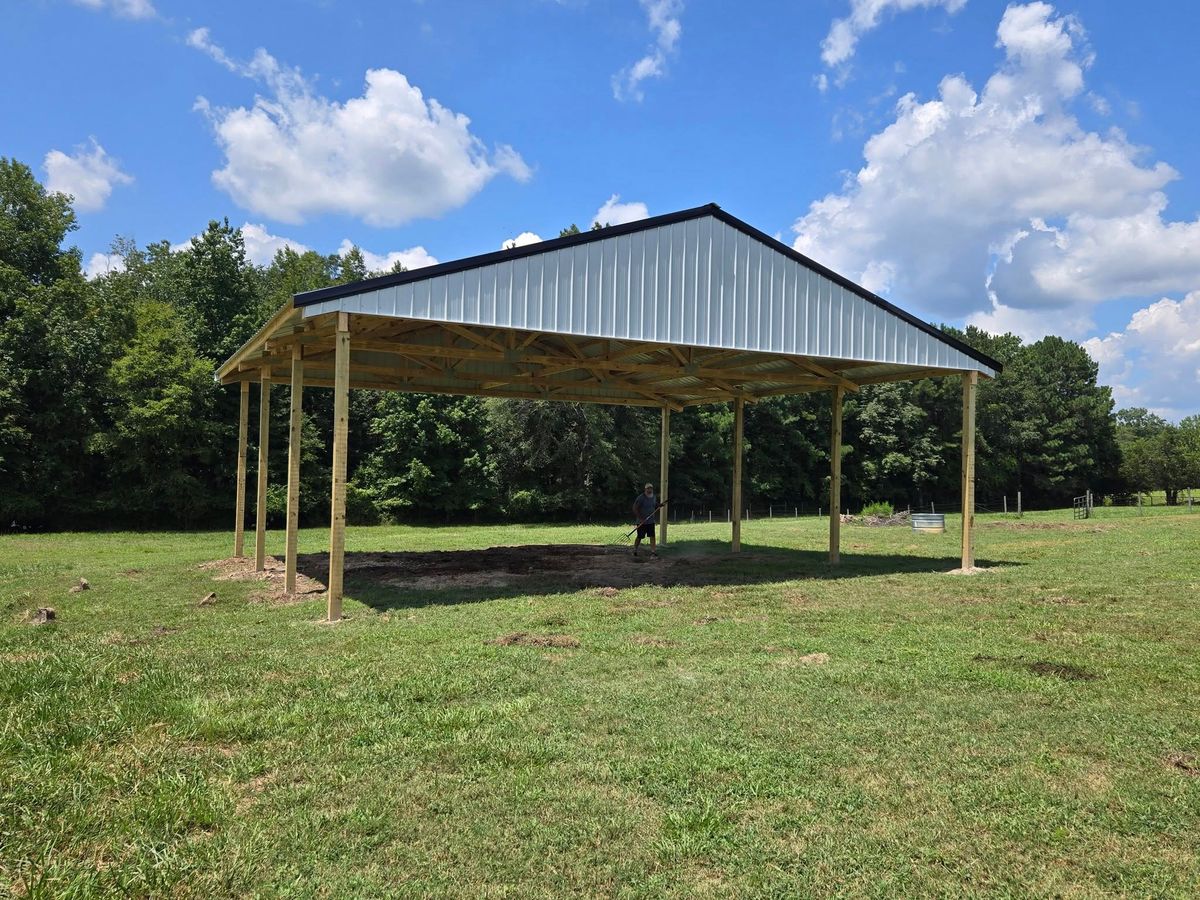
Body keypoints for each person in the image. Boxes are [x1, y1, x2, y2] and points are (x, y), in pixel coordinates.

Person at [632, 483, 660, 558]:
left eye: (651, 488)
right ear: (645, 489)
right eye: (648, 488)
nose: (649, 489)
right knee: (640, 536)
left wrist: (658, 505)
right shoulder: (641, 498)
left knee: (652, 536)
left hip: (651, 521)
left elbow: (654, 504)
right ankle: (635, 550)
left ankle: (653, 552)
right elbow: (635, 508)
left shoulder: (653, 496)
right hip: (641, 522)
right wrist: (641, 518)